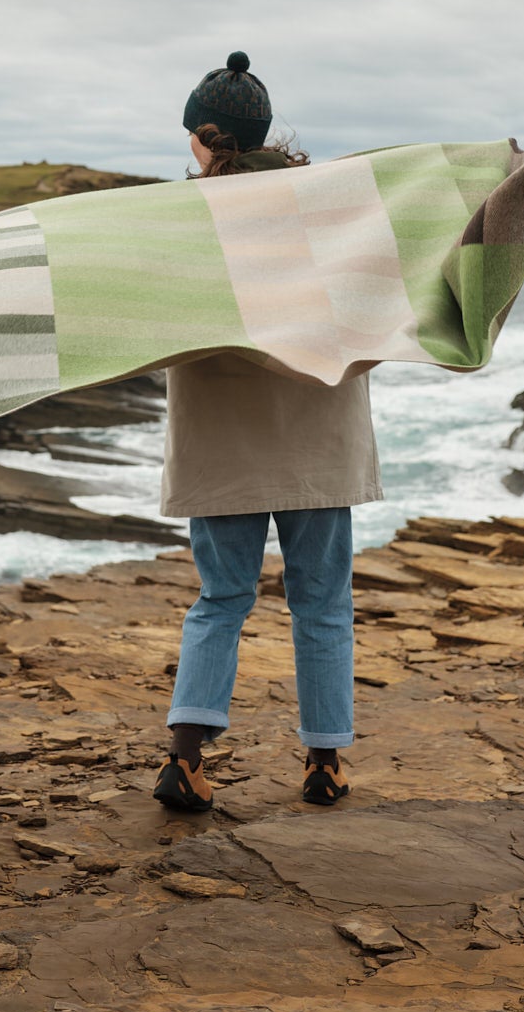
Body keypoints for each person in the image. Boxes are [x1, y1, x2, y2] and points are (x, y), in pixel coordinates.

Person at [152, 51, 383, 814]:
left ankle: (184, 762)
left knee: (220, 599)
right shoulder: (325, 211)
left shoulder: (183, 222)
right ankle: (325, 763)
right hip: (316, 432)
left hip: (223, 444)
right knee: (322, 604)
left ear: (199, 137)